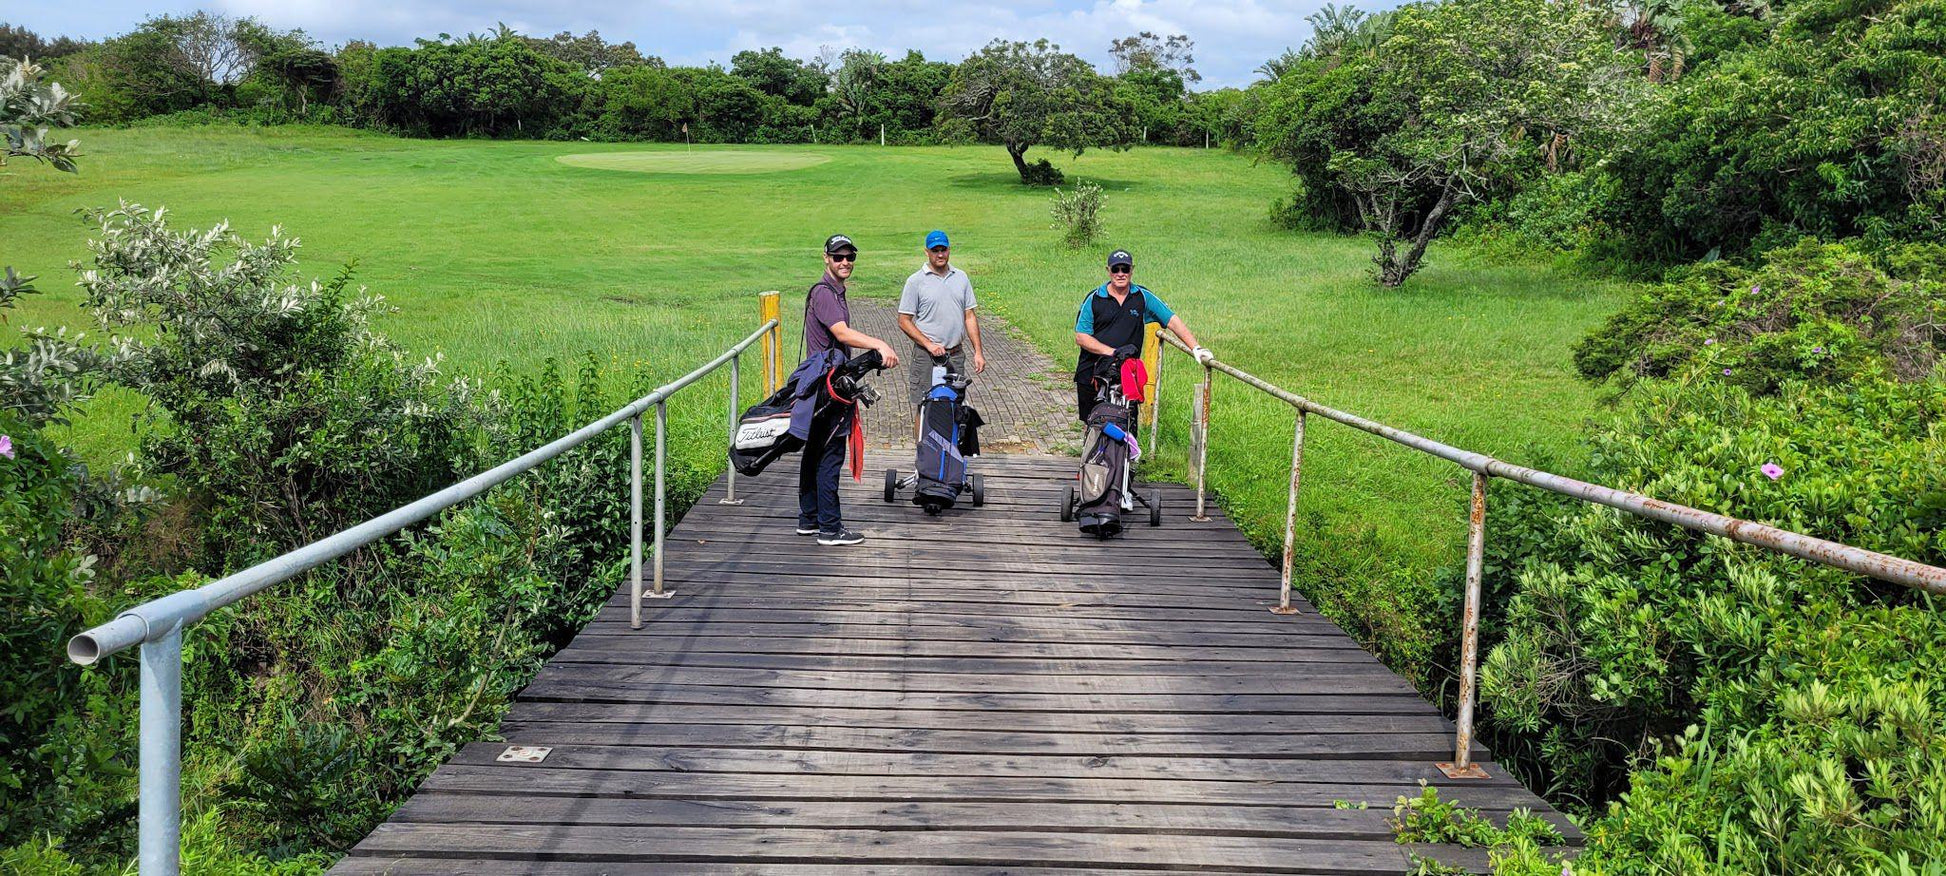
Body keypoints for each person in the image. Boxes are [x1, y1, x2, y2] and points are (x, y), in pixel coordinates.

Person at [799, 234, 900, 546]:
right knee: (830, 453)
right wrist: (879, 343)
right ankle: (830, 529)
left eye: (849, 257)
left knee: (814, 451)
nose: (845, 262)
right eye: (838, 257)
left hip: (822, 383)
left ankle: (810, 519)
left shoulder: (831, 292)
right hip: (829, 388)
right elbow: (840, 332)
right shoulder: (826, 293)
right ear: (825, 258)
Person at [1071, 248, 1213, 424]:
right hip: (1093, 372)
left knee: (1127, 425)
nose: (1120, 274)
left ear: (1132, 270)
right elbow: (1081, 337)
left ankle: (1126, 451)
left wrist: (1196, 348)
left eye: (1125, 269)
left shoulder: (1142, 297)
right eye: (1116, 269)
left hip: (1126, 372)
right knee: (1093, 425)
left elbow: (1172, 320)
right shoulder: (1094, 298)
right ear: (1108, 271)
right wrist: (1113, 352)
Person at [897, 229, 985, 440]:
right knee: (924, 405)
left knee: (954, 405)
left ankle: (950, 455)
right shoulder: (916, 281)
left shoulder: (961, 278)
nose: (940, 254)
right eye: (935, 250)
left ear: (949, 250)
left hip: (955, 354)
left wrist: (978, 352)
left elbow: (969, 316)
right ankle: (923, 456)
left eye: (943, 249)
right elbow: (903, 320)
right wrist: (928, 344)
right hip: (926, 357)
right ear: (926, 252)